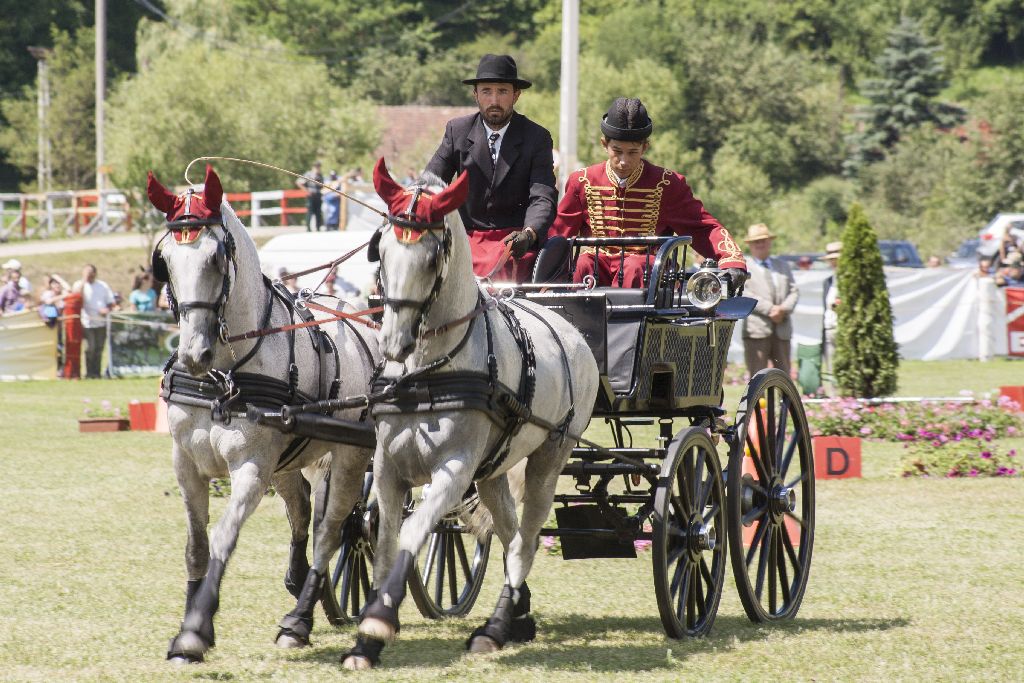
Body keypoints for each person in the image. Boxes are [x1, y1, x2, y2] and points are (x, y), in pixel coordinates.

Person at [550, 97, 746, 289]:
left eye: (632, 152)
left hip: (647, 272)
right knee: (582, 265)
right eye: (617, 151)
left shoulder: (667, 183)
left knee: (634, 267)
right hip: (596, 266)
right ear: (604, 144)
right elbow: (559, 233)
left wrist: (731, 260)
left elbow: (702, 227)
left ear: (645, 147)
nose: (624, 161)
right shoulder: (582, 180)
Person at [424, 53, 557, 283]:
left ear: (516, 95)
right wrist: (407, 211)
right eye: (486, 91)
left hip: (514, 242)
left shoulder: (537, 137)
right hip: (465, 240)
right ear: (475, 94)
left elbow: (543, 198)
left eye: (502, 91)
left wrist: (529, 233)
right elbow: (429, 185)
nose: (494, 100)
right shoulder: (457, 131)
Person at [741, 223, 798, 375]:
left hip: (782, 328)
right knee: (757, 378)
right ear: (750, 245)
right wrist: (770, 309)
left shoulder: (782, 265)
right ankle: (759, 401)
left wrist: (782, 310)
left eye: (763, 240)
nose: (760, 244)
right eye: (756, 241)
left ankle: (785, 400)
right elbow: (743, 293)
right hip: (757, 330)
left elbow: (794, 291)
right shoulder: (743, 267)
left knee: (785, 376)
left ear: (770, 241)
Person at [73, 264, 117, 378]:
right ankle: (89, 372)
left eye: (91, 272)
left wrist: (106, 309)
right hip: (87, 323)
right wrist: (84, 280)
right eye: (87, 272)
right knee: (90, 348)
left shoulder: (102, 286)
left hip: (101, 322)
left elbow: (111, 302)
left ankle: (96, 373)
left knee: (99, 348)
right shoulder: (79, 285)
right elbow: (77, 296)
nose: (89, 275)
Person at [820, 241, 842, 378]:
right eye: (831, 260)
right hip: (829, 329)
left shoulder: (850, 279)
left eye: (836, 259)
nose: (833, 263)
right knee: (831, 370)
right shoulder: (828, 281)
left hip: (844, 330)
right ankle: (835, 397)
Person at [297, 161, 324, 232]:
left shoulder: (320, 175)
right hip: (311, 195)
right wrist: (306, 191)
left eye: (319, 167)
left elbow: (322, 185)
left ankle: (318, 227)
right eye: (316, 167)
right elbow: (299, 182)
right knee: (310, 212)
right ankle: (308, 228)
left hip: (318, 195)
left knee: (318, 212)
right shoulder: (308, 175)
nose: (318, 168)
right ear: (313, 167)